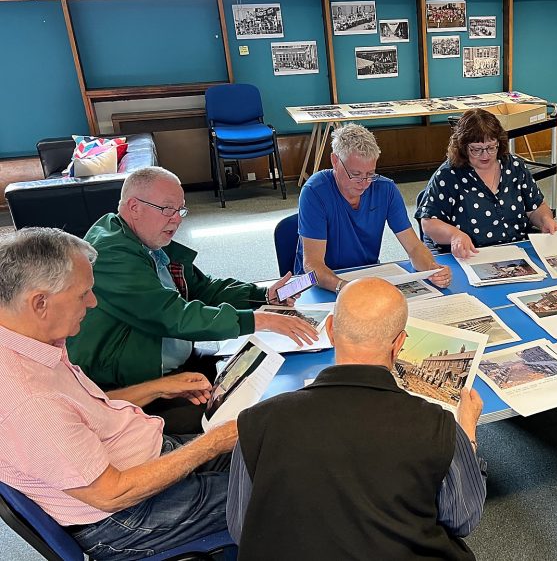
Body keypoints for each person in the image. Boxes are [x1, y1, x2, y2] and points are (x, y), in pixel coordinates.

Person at [0, 228, 236, 560]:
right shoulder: (29, 398)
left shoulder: (31, 341)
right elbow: (111, 494)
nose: (93, 302)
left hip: (143, 463)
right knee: (287, 482)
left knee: (264, 444)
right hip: (126, 515)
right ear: (40, 302)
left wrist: (160, 387)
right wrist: (213, 442)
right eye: (83, 294)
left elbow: (88, 412)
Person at [227, 278, 487, 559]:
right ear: (398, 344)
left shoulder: (257, 422)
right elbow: (462, 519)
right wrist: (468, 436)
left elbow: (241, 527)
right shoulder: (439, 427)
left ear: (330, 330)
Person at [67, 166, 317, 434]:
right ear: (134, 207)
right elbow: (173, 315)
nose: (177, 220)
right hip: (132, 385)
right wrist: (260, 319)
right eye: (167, 209)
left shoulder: (146, 242)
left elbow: (202, 288)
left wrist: (263, 295)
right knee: (248, 414)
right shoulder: (112, 254)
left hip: (169, 359)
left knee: (254, 372)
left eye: (181, 210)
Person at [296, 123, 451, 292]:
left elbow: (413, 247)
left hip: (364, 276)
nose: (364, 183)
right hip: (313, 283)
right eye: (355, 174)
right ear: (335, 161)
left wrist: (432, 268)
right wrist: (343, 286)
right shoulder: (314, 191)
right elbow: (312, 265)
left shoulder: (386, 189)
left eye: (370, 174)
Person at [416, 108, 557, 258]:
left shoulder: (515, 167)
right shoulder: (449, 175)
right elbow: (429, 223)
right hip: (470, 256)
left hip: (516, 252)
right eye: (476, 149)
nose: (485, 155)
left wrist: (545, 220)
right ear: (463, 147)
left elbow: (536, 207)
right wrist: (455, 235)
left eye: (491, 147)